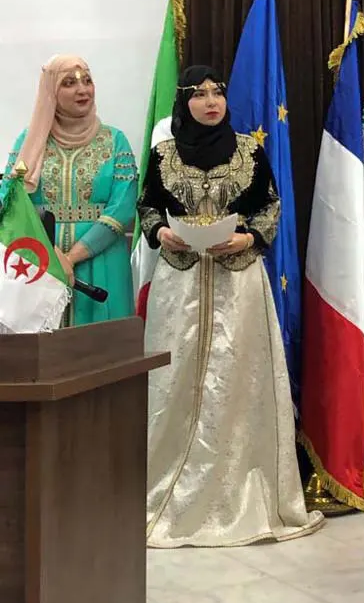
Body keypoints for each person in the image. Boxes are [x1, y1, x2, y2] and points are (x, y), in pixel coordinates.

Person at [137, 65, 323, 548]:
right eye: (199, 94)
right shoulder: (163, 154)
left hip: (237, 282)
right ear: (184, 103)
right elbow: (148, 206)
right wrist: (161, 231)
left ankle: (235, 494)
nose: (210, 102)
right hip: (180, 284)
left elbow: (270, 206)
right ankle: (166, 492)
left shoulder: (249, 151)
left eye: (217, 93)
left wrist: (247, 237)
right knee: (172, 380)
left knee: (238, 380)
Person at [4, 55, 137, 325]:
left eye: (87, 81)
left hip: (101, 257)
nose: (82, 89)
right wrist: (51, 254)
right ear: (51, 91)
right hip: (40, 259)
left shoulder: (115, 140)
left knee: (101, 343)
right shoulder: (30, 142)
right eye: (69, 83)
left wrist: (71, 257)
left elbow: (122, 206)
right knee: (42, 345)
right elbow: (11, 199)